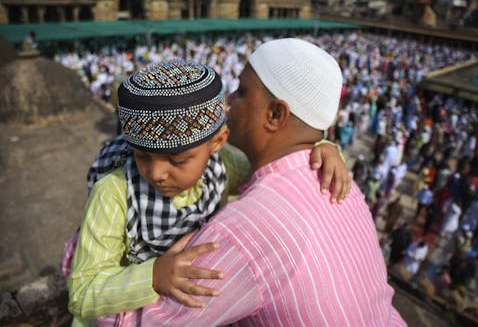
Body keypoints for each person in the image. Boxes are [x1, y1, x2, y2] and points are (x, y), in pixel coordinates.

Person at [98, 38, 406, 326]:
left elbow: (140, 321)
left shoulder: (248, 226)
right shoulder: (341, 184)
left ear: (275, 114)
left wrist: (97, 238)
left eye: (242, 92)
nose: (229, 101)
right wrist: (326, 144)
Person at [65, 60, 350, 325]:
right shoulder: (114, 192)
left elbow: (272, 168)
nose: (156, 173)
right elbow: (81, 293)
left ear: (217, 143)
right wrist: (152, 275)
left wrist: (319, 149)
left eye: (178, 160)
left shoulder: (223, 166)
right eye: (142, 156)